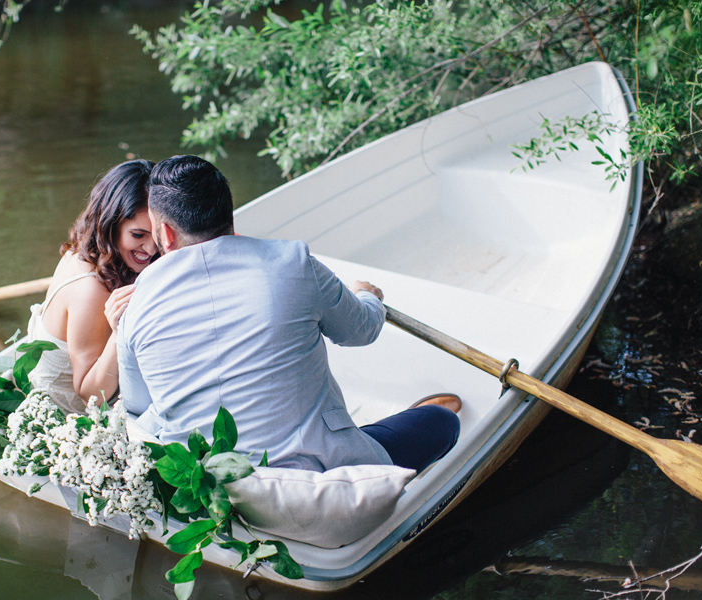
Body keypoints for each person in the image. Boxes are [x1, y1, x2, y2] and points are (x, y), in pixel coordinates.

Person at [117, 155, 460, 472]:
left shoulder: (136, 306)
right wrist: (368, 296)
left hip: (210, 487)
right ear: (228, 213)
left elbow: (135, 408)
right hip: (319, 473)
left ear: (165, 232)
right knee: (442, 422)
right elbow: (362, 330)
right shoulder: (294, 263)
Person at [28, 159, 157, 414]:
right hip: (74, 414)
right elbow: (91, 396)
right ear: (111, 224)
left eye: (159, 234)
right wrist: (121, 332)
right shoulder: (92, 289)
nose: (151, 248)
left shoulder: (100, 250)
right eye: (139, 235)